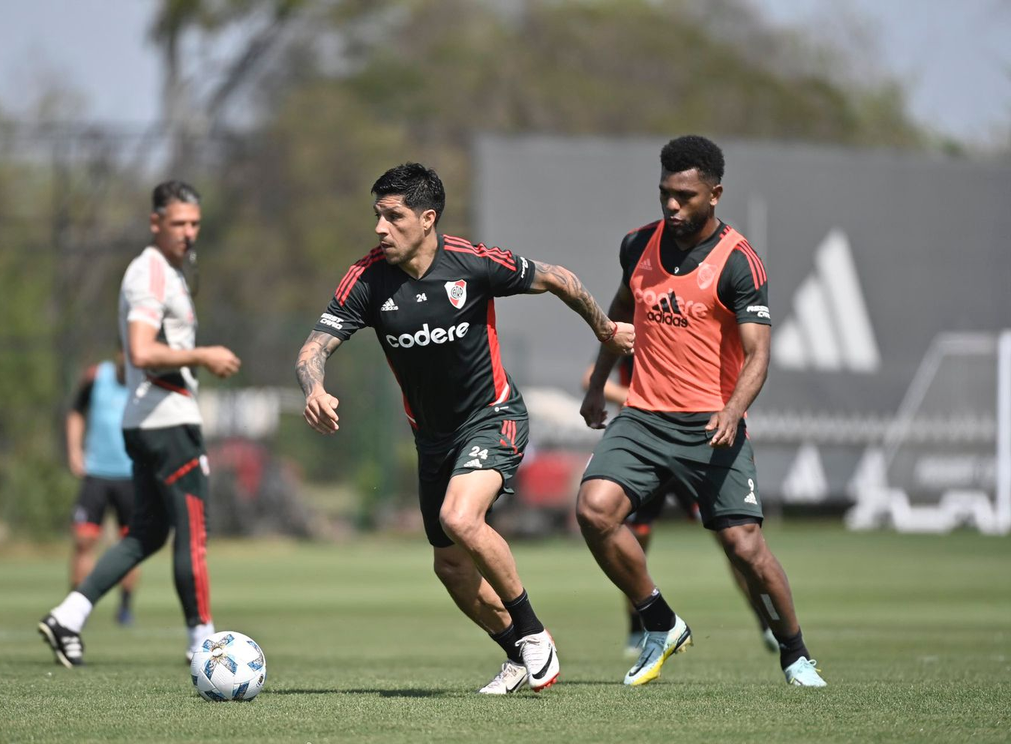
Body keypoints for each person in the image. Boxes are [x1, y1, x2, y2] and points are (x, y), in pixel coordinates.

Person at [296, 163, 634, 694]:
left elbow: (555, 277)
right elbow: (313, 348)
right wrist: (313, 388)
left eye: (394, 216)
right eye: (377, 216)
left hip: (494, 416)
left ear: (427, 219)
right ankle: (518, 653)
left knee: (459, 517)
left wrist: (606, 329)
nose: (380, 228)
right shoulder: (366, 279)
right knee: (451, 568)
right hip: (433, 438)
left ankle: (534, 633)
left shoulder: (472, 263)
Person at [576, 135, 826, 687]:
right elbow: (620, 312)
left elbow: (759, 355)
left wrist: (734, 410)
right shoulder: (637, 245)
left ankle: (795, 655)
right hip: (643, 419)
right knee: (594, 510)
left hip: (710, 425)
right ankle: (660, 622)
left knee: (744, 547)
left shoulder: (739, 262)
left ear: (715, 194)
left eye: (685, 196)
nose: (672, 205)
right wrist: (598, 383)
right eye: (665, 193)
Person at [39, 180, 242, 668]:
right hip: (167, 422)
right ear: (155, 223)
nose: (188, 232)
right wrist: (203, 355)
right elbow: (143, 351)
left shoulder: (168, 273)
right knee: (193, 532)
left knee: (146, 533)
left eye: (195, 223)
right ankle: (203, 643)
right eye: (178, 223)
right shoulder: (149, 272)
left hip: (149, 421)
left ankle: (68, 616)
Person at [582, 358, 780, 659]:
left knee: (733, 539)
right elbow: (590, 378)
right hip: (646, 442)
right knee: (634, 537)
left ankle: (766, 622)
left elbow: (751, 362)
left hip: (695, 441)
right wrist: (643, 398)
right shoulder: (638, 336)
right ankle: (638, 626)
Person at [65, 347, 141, 626]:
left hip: (132, 476)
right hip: (96, 473)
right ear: (120, 352)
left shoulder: (145, 384)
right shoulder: (96, 377)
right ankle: (74, 609)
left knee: (131, 545)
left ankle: (125, 607)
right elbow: (76, 412)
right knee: (83, 541)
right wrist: (75, 451)